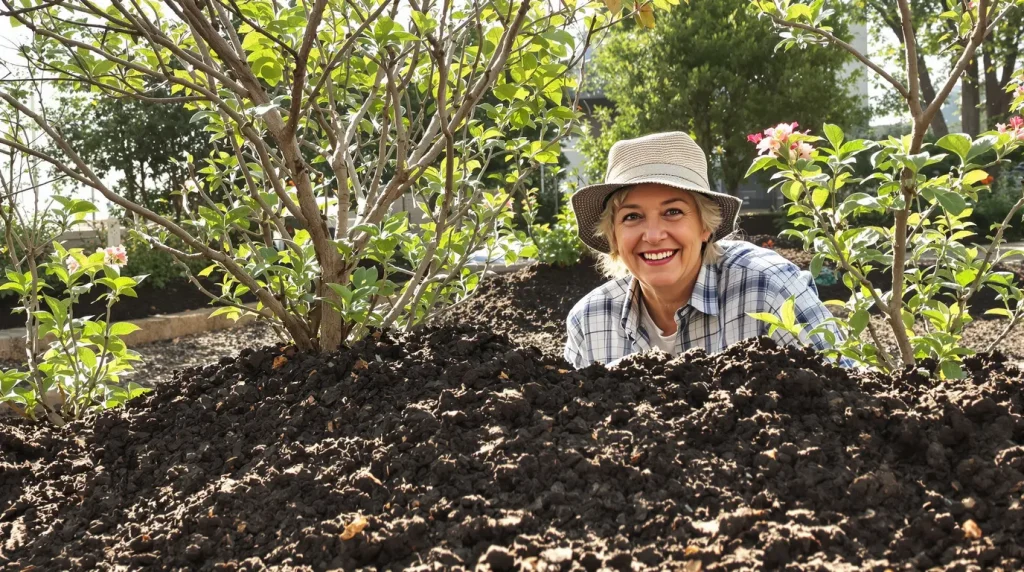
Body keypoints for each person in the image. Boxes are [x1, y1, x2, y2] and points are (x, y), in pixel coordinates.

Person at [564, 131, 845, 369]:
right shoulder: (590, 322)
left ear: (705, 226)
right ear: (613, 235)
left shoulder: (769, 289)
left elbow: (847, 400)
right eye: (632, 217)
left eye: (673, 212)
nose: (652, 235)